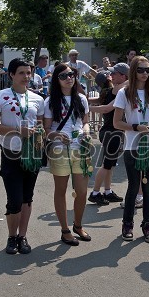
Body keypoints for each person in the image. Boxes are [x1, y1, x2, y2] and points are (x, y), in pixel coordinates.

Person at [0, 58, 45, 255]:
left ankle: (23, 236)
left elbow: (40, 125)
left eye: (29, 73)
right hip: (10, 153)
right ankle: (11, 237)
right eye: (21, 73)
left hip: (32, 153)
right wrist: (17, 130)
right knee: (14, 199)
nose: (26, 77)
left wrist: (39, 132)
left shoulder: (38, 98)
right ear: (11, 74)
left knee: (27, 198)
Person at [113, 56, 149, 243]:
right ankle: (127, 224)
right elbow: (117, 122)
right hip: (133, 145)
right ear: (133, 72)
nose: (145, 73)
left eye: (147, 70)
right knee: (134, 186)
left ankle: (148, 224)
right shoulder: (124, 93)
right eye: (141, 70)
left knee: (148, 187)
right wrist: (137, 128)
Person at [44, 63, 93, 246]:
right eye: (63, 76)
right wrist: (57, 135)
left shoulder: (81, 98)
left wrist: (87, 132)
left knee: (81, 191)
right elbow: (47, 129)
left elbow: (85, 122)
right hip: (59, 149)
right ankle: (65, 230)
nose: (69, 78)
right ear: (56, 80)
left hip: (80, 148)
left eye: (71, 74)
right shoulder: (49, 101)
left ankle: (78, 225)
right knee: (61, 190)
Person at [87, 63, 130, 206]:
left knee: (110, 165)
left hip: (111, 132)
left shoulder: (108, 91)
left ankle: (107, 191)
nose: (112, 75)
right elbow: (106, 108)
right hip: (112, 132)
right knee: (106, 164)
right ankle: (95, 193)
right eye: (111, 74)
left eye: (115, 73)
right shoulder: (116, 90)